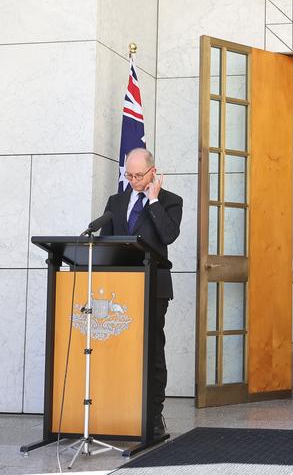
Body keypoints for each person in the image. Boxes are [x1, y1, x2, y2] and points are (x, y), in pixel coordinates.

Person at [100, 147, 183, 436]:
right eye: (129, 174)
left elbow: (169, 235)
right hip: (120, 288)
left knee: (151, 349)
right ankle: (118, 408)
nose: (133, 180)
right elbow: (105, 243)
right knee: (118, 349)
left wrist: (153, 200)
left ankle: (153, 414)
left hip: (154, 287)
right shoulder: (115, 201)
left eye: (138, 175)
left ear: (153, 172)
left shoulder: (171, 201)